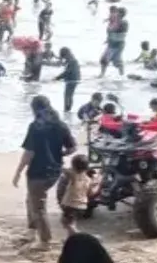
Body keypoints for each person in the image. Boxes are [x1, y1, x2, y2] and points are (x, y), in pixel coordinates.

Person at [12, 96, 76, 251]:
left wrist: (18, 172)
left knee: (38, 206)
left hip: (37, 172)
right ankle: (31, 231)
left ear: (34, 109)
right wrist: (58, 154)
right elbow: (72, 148)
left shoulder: (35, 127)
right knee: (31, 199)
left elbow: (29, 153)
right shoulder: (61, 125)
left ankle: (45, 241)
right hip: (54, 171)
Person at [59, 155, 95, 236]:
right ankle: (70, 238)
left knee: (66, 222)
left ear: (73, 166)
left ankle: (78, 235)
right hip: (82, 205)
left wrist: (59, 164)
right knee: (72, 222)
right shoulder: (88, 179)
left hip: (70, 204)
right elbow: (91, 193)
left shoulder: (74, 176)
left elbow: (64, 170)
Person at [100, 7, 128, 77]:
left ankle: (102, 75)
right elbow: (113, 31)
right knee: (116, 61)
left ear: (120, 14)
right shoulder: (119, 22)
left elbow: (115, 30)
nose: (115, 14)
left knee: (104, 60)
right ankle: (122, 75)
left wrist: (111, 25)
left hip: (115, 44)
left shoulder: (123, 22)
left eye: (117, 12)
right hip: (116, 44)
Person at [54, 47, 82, 113]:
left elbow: (67, 72)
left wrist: (57, 78)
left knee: (67, 95)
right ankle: (68, 109)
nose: (64, 58)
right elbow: (63, 65)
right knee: (70, 95)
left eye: (63, 56)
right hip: (75, 79)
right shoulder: (72, 59)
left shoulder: (71, 60)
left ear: (65, 54)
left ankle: (66, 110)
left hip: (72, 80)